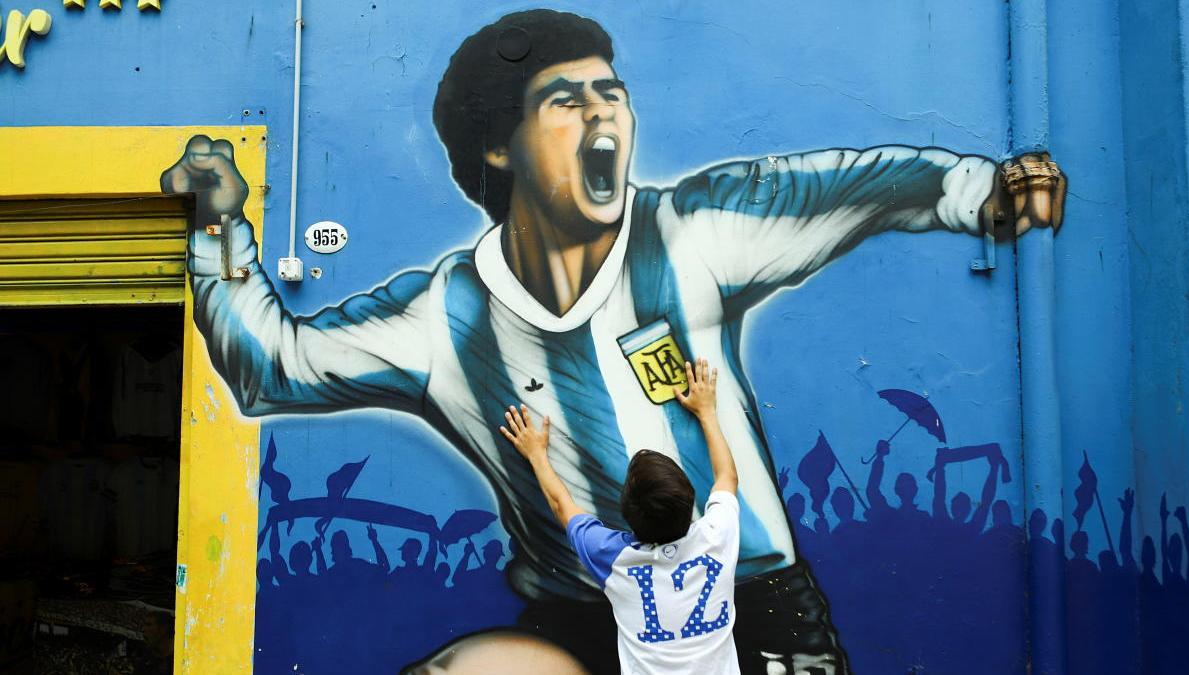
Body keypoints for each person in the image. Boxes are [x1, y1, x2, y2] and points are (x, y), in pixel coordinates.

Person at [160, 9, 1065, 673]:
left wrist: (979, 189)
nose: (605, 116)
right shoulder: (446, 317)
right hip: (582, 616)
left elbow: (848, 188)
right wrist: (217, 228)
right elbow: (275, 366)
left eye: (612, 92)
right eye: (566, 100)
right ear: (501, 147)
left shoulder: (692, 234)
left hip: (749, 610)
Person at [499, 358, 741, 674]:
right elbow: (727, 477)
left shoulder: (611, 556)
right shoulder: (717, 536)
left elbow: (562, 505)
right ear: (689, 501)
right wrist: (707, 412)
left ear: (626, 514)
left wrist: (536, 455)